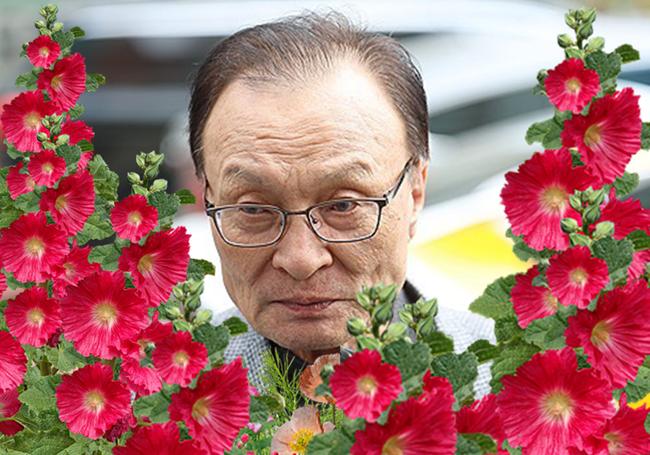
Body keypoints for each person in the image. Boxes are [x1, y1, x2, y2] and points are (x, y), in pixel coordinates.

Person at [187, 11, 495, 395]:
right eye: (253, 209)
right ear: (209, 200)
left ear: (415, 193)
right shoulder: (150, 402)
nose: (301, 259)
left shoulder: (522, 388)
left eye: (343, 206)